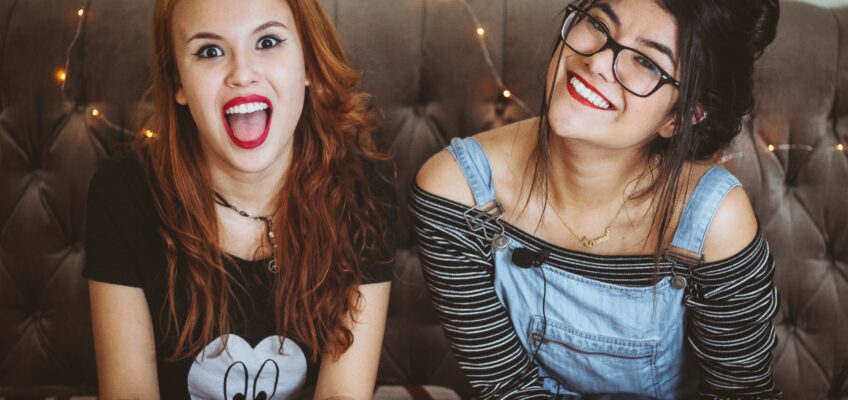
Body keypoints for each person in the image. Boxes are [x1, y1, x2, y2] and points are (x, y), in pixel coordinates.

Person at [412, 0, 781, 398]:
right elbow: (507, 387)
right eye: (599, 25)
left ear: (681, 117)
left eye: (647, 63)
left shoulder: (713, 221)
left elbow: (741, 392)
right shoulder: (456, 190)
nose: (600, 62)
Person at [83, 0, 395, 398]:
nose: (242, 74)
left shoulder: (364, 188)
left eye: (267, 41)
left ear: (309, 65)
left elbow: (343, 394)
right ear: (178, 81)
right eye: (210, 51)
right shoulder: (122, 194)